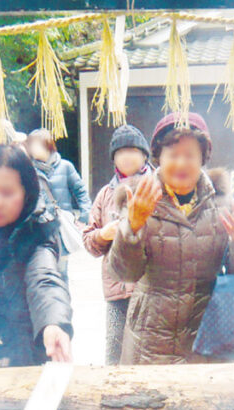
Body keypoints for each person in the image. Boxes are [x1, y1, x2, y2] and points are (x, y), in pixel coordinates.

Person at [106, 112, 234, 365]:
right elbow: (124, 273)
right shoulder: (139, 199)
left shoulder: (223, 204)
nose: (181, 163)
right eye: (173, 155)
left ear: (202, 159)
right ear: (159, 158)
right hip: (150, 341)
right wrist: (133, 227)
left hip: (208, 340)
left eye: (189, 155)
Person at [0, 144, 73, 367]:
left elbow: (45, 280)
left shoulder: (37, 233)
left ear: (27, 194)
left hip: (29, 357)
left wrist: (53, 324)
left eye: (7, 193)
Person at [82, 124, 152, 365]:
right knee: (115, 351)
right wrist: (103, 234)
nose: (127, 156)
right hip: (117, 290)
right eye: (121, 152)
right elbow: (89, 241)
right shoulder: (105, 194)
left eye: (133, 150)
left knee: (149, 351)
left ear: (144, 155)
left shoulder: (157, 187)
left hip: (151, 288)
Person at [25, 128, 92, 223]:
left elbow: (81, 192)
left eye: (34, 145)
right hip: (40, 227)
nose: (31, 149)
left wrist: (84, 217)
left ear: (46, 144)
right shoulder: (30, 171)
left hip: (64, 224)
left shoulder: (66, 166)